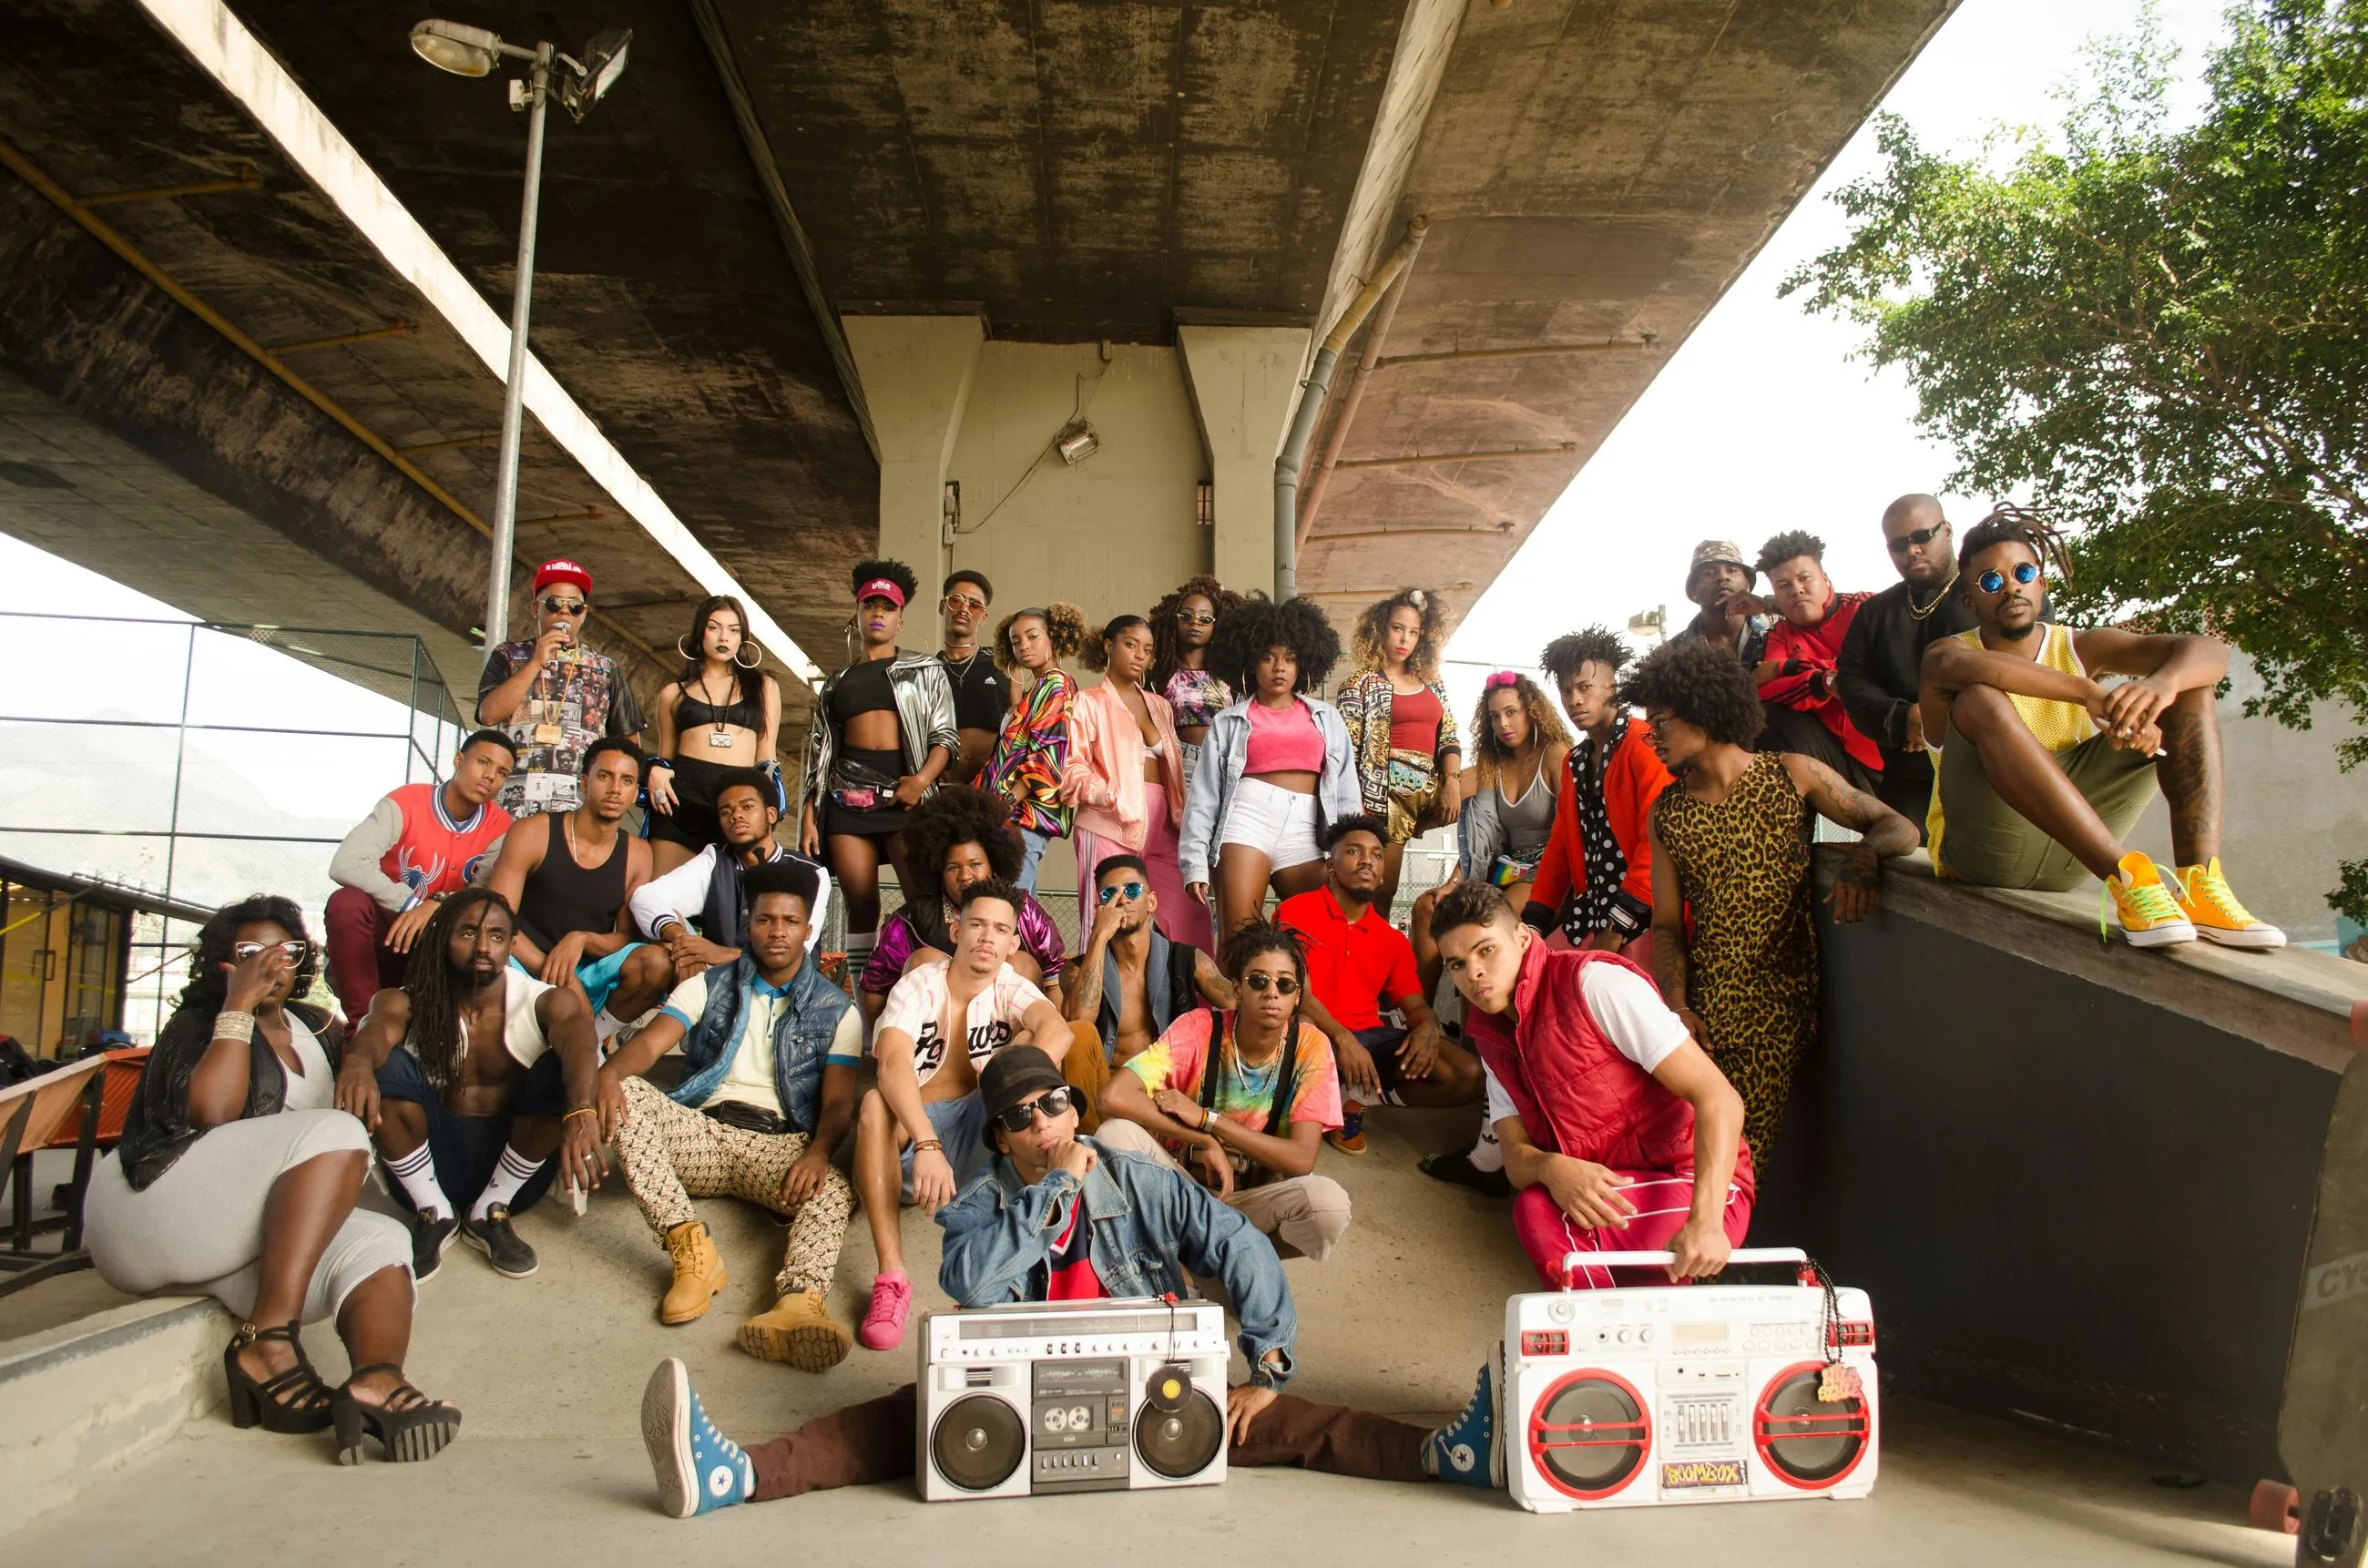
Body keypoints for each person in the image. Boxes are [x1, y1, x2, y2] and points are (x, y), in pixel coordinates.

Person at [638, 1044, 1505, 1518]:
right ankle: (737, 1476)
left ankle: (1449, 1456)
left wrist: (1266, 1367)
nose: (1045, 1122)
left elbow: (1239, 1242)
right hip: (1019, 1392)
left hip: (1153, 1387)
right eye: (1022, 1117)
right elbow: (975, 1286)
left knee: (1301, 1426)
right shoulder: (975, 1204)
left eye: (1055, 1103)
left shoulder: (1142, 1179)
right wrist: (1054, 1191)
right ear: (1002, 1138)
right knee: (893, 1426)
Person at [87, 897, 457, 1464]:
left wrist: (361, 1064)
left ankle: (376, 1381)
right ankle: (269, 1341)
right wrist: (238, 1003)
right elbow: (211, 1114)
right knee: (337, 1132)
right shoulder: (198, 1021)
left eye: (284, 951)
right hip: (148, 1206)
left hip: (239, 1236)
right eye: (249, 952)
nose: (270, 963)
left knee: (385, 1240)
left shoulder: (317, 1028)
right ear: (223, 962)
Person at [1916, 509, 2283, 946]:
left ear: (2041, 583)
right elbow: (1966, 669)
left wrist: (2159, 689)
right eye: (1991, 581)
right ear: (1969, 602)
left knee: (2190, 687)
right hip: (1983, 853)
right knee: (1979, 699)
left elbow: (2209, 651)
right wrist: (2089, 693)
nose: (2011, 586)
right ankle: (2128, 877)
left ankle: (2199, 887)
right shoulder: (1946, 655)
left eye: (2022, 572)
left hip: (2071, 854)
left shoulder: (2080, 646)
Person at [1627, 638, 1920, 1160]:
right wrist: (1678, 1008)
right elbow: (1667, 925)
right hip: (1701, 1014)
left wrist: (1864, 858)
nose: (1654, 739)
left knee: (1737, 1159)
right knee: (1674, 1148)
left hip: (1775, 1009)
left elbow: (1899, 827)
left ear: (1702, 709)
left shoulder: (1791, 773)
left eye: (1662, 723)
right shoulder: (1667, 813)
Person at [597, 860, 861, 1369]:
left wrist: (818, 1152)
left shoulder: (837, 1010)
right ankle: (692, 1252)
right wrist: (608, 1075)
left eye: (789, 921)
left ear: (808, 930)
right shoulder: (708, 985)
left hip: (777, 1146)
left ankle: (797, 1303)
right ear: (748, 925)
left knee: (833, 1189)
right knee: (626, 1091)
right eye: (765, 920)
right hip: (704, 1132)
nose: (777, 931)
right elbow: (650, 1045)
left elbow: (837, 1103)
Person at [1428, 881, 1752, 1291]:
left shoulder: (1594, 983)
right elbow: (1515, 1159)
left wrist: (1706, 1223)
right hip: (1615, 1191)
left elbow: (1719, 1098)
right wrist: (1552, 1167)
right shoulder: (1494, 1039)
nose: (1474, 972)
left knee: (1556, 1227)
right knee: (1536, 1207)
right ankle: (1627, 1325)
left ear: (1523, 938)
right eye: (1457, 964)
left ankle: (1609, 1326)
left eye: (1486, 950)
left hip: (1697, 1186)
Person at [338, 888, 611, 1282]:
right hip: (428, 1164)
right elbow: (376, 1028)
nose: (483, 946)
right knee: (386, 1063)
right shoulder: (408, 1000)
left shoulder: (544, 1000)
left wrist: (581, 1108)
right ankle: (434, 1212)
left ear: (511, 944)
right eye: (467, 933)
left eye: (496, 936)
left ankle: (490, 1211)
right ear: (442, 937)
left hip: (516, 1170)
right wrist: (357, 1063)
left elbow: (580, 1039)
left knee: (562, 1069)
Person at [852, 878, 1074, 1351]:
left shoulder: (1011, 986)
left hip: (979, 1137)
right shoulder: (919, 984)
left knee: (1030, 1050)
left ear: (1014, 944)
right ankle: (892, 1279)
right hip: (915, 1142)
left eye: (1001, 929)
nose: (988, 937)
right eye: (977, 924)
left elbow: (1060, 1031)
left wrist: (1013, 1067)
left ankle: (1044, 1249)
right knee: (873, 1103)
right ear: (957, 931)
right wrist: (927, 1142)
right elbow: (891, 1063)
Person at [1097, 921, 1353, 1260]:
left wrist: (1209, 1120)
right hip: (1181, 1191)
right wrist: (1203, 1140)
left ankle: (1247, 1260)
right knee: (1113, 1135)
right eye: (1258, 980)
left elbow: (1301, 1159)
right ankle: (1170, 1251)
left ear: (1297, 998)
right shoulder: (1200, 1028)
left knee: (1328, 1206)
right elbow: (1114, 1097)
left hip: (1251, 1204)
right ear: (1237, 989)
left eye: (1285, 984)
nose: (1272, 992)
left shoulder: (1310, 1047)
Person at [797, 559, 960, 987]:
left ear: (900, 620)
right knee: (861, 904)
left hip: (906, 794)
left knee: (924, 900)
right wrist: (810, 815)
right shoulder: (837, 681)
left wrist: (920, 782)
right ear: (857, 613)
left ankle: (934, 993)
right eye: (870, 605)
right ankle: (865, 1007)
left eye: (888, 607)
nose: (878, 613)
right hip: (846, 799)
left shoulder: (926, 670)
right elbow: (819, 753)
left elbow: (946, 737)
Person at [1279, 816, 1484, 1156]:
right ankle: (1305, 1107)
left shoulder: (1391, 940)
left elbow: (1415, 1005)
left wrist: (1428, 1027)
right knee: (1305, 1025)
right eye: (1354, 851)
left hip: (1369, 1039)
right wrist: (1342, 1038)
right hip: (1313, 1032)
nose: (1367, 861)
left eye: (1376, 855)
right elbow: (1295, 991)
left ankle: (1356, 1098)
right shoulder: (1295, 911)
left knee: (1468, 1074)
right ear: (1330, 866)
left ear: (1383, 873)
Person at [1181, 595, 1362, 938]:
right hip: (1247, 821)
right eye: (1268, 657)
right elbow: (1203, 798)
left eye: (1289, 659)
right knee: (1238, 938)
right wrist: (1194, 864)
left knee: (1322, 937)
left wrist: (1351, 848)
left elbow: (1347, 793)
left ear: (1302, 663)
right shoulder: (1228, 722)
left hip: (1309, 829)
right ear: (1251, 662)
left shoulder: (1328, 718)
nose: (1279, 667)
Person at [484, 737, 671, 1042]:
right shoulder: (532, 832)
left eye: (627, 781)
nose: (615, 789)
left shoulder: (639, 853)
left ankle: (592, 1039)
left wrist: (582, 939)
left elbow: (627, 937)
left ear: (635, 791)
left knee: (656, 962)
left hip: (585, 975)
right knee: (481, 949)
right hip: (519, 966)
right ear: (585, 782)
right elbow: (495, 922)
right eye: (605, 776)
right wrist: (558, 975)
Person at [324, 729, 515, 1026]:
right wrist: (412, 905)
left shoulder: (501, 826)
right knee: (347, 902)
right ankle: (361, 1026)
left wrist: (438, 906)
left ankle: (446, 1030)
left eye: (502, 772)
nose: (491, 776)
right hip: (386, 931)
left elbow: (485, 894)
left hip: (441, 945)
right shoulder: (406, 802)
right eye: (483, 762)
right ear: (459, 760)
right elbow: (345, 864)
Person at [857, 784, 1067, 1028]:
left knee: (1021, 963)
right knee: (925, 962)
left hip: (1004, 1033)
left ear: (994, 863)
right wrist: (881, 1038)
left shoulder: (1024, 911)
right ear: (938, 869)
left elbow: (1054, 979)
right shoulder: (911, 921)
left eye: (975, 864)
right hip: (933, 1034)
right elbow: (875, 987)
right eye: (953, 867)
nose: (965, 876)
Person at [1518, 627, 1673, 955]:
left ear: (1611, 687)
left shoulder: (1643, 742)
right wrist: (1533, 923)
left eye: (1584, 687)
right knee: (1530, 971)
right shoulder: (1574, 760)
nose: (1574, 700)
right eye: (1566, 691)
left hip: (1647, 915)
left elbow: (1659, 838)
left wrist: (1617, 928)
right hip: (1591, 916)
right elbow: (1560, 846)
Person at [1059, 613, 1209, 949]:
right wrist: (1110, 794)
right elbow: (1071, 767)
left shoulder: (1160, 706)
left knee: (1192, 914)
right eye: (1130, 645)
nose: (1140, 655)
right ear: (1108, 646)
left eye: (1147, 649)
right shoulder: (1089, 701)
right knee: (1105, 921)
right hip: (1109, 824)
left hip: (1164, 826)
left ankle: (1196, 985)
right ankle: (1097, 985)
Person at [1057, 852, 1234, 1130]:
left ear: (1151, 901)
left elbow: (1239, 1005)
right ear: (1100, 908)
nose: (1122, 900)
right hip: (1103, 1101)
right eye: (1109, 894)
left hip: (1169, 1099)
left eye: (1132, 889)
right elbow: (1079, 1020)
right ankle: (1090, 1142)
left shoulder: (1187, 960)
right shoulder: (1075, 970)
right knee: (1078, 1033)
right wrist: (1099, 937)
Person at [1836, 494, 1977, 832]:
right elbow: (1852, 682)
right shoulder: (1875, 613)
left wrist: (1935, 718)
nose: (1911, 550)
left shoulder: (1989, 591)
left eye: (1921, 537)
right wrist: (1902, 719)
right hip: (1909, 774)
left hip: (1986, 767)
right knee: (1898, 854)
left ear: (1947, 531)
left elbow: (2026, 660)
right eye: (1898, 544)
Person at [628, 766, 832, 991]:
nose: (736, 815)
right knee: (661, 951)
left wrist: (719, 954)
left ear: (771, 814)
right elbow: (644, 898)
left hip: (787, 994)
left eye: (747, 807)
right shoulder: (715, 860)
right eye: (726, 811)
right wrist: (683, 940)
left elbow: (793, 954)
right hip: (721, 987)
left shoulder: (809, 872)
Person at [475, 557, 644, 819]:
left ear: (584, 613)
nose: (564, 612)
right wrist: (535, 662)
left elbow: (629, 744)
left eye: (574, 606)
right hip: (512, 802)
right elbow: (488, 715)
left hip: (579, 808)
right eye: (554, 604)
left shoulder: (606, 668)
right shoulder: (508, 655)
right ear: (536, 608)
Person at [1333, 587, 1463, 918]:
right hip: (1386, 798)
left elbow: (1449, 735)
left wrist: (1452, 781)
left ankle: (1475, 873)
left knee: (1488, 778)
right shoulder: (1359, 684)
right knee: (1382, 890)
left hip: (1430, 789)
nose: (1405, 639)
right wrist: (1358, 810)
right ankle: (1369, 944)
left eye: (1414, 632)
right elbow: (1346, 754)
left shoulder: (1432, 682)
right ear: (1380, 629)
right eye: (1397, 628)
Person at [646, 595, 783, 875]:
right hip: (681, 798)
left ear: (743, 638)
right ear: (700, 633)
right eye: (714, 627)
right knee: (661, 893)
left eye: (733, 630)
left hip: (738, 799)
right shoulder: (673, 693)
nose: (724, 637)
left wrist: (768, 807)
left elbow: (766, 758)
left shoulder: (764, 687)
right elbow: (665, 757)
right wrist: (654, 770)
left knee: (738, 896)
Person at [1751, 530, 1883, 793]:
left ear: (1825, 578)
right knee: (1769, 719)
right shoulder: (1779, 635)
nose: (1796, 590)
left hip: (1897, 743)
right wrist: (1821, 681)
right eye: (1783, 585)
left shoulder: (1866, 608)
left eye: (1804, 578)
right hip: (1836, 759)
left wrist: (1835, 673)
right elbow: (1766, 690)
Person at [980, 602, 1085, 891]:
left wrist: (1006, 802)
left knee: (1010, 902)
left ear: (1054, 636)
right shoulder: (1037, 688)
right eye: (1016, 641)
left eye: (1032, 636)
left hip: (1022, 814)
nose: (1024, 646)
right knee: (1022, 905)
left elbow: (1048, 756)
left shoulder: (1056, 685)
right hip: (1014, 816)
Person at [1448, 671, 1569, 911]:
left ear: (1531, 711)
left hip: (1548, 868)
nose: (1502, 723)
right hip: (1505, 869)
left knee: (1492, 917)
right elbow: (1482, 837)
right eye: (1494, 716)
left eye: (1511, 712)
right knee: (1427, 909)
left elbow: (1570, 827)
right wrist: (1452, 884)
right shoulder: (1492, 764)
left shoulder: (1555, 754)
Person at [1150, 573, 1244, 786]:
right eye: (1186, 616)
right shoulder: (1160, 676)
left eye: (1205, 619)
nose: (1195, 622)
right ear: (1173, 620)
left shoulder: (1230, 676)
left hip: (1225, 759)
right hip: (1181, 761)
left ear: (1216, 625)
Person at [935, 569, 1005, 784]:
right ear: (942, 606)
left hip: (990, 789)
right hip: (939, 790)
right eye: (956, 601)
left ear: (984, 617)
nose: (964, 609)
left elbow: (1020, 729)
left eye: (974, 605)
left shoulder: (1001, 664)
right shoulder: (928, 671)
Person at [1668, 539, 1775, 668]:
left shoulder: (1780, 629)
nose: (1723, 577)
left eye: (1732, 571)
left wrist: (1768, 605)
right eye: (1710, 573)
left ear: (1747, 584)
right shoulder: (1673, 654)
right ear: (1693, 590)